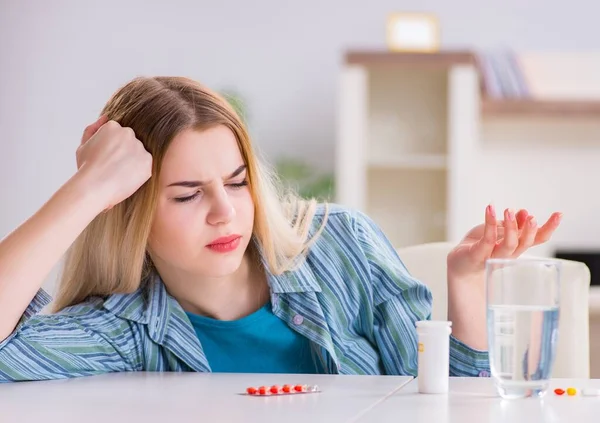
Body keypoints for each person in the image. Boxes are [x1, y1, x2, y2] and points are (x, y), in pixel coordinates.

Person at [0, 76, 561, 381]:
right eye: (188, 193)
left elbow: (453, 403)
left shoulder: (343, 245)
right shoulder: (123, 330)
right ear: (129, 214)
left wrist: (464, 286)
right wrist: (85, 192)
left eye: (237, 181)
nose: (226, 213)